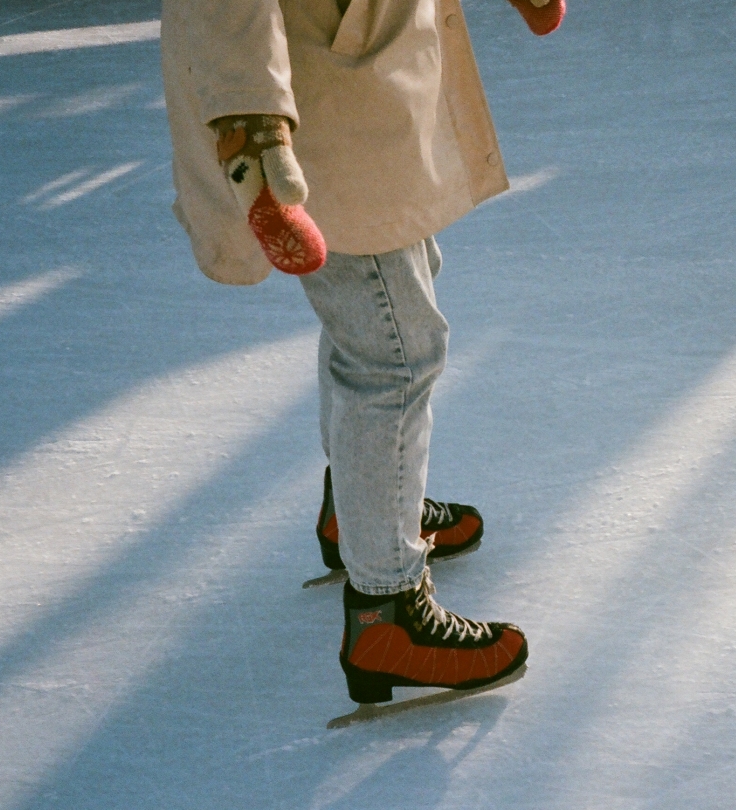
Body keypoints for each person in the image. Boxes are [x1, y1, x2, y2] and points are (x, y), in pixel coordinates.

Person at [160, 0, 564, 705]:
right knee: (393, 350)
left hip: (373, 84)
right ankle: (388, 612)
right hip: (317, 112)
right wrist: (252, 129)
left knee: (393, 298)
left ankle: (362, 513)